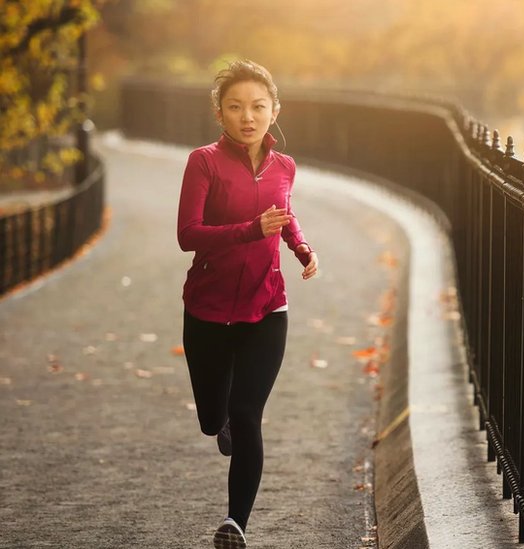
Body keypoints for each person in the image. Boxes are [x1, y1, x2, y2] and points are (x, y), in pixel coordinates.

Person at [176, 59, 318, 549]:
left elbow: (285, 213)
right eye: (235, 107)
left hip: (266, 307)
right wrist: (250, 230)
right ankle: (221, 423)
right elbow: (188, 234)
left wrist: (301, 247)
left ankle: (235, 523)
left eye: (258, 106)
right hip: (208, 310)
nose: (247, 116)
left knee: (247, 412)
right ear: (220, 113)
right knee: (212, 419)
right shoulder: (204, 162)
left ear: (275, 110)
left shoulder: (285, 166)